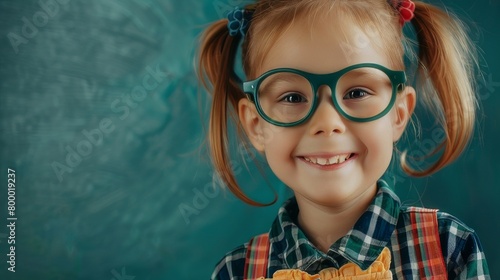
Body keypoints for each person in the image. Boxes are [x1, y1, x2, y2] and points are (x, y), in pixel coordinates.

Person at [197, 0, 490, 279]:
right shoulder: (236, 272)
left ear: (398, 114)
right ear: (256, 124)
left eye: (357, 93)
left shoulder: (449, 247)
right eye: (293, 97)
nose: (327, 123)